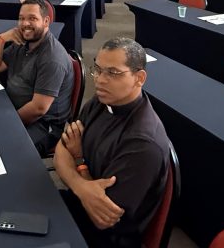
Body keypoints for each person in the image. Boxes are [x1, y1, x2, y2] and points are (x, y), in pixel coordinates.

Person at [54, 38, 170, 248]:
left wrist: (78, 160)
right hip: (77, 204)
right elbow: (61, 150)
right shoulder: (103, 101)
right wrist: (82, 185)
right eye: (98, 70)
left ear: (139, 78)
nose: (100, 80)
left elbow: (102, 219)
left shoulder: (142, 143)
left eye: (113, 73)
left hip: (106, 238)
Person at [0, 0, 73, 154]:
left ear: (46, 21)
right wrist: (1, 39)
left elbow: (38, 109)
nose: (25, 23)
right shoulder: (24, 42)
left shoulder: (52, 58)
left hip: (43, 124)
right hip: (14, 107)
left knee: (0, 151)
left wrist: (6, 122)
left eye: (32, 18)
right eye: (21, 18)